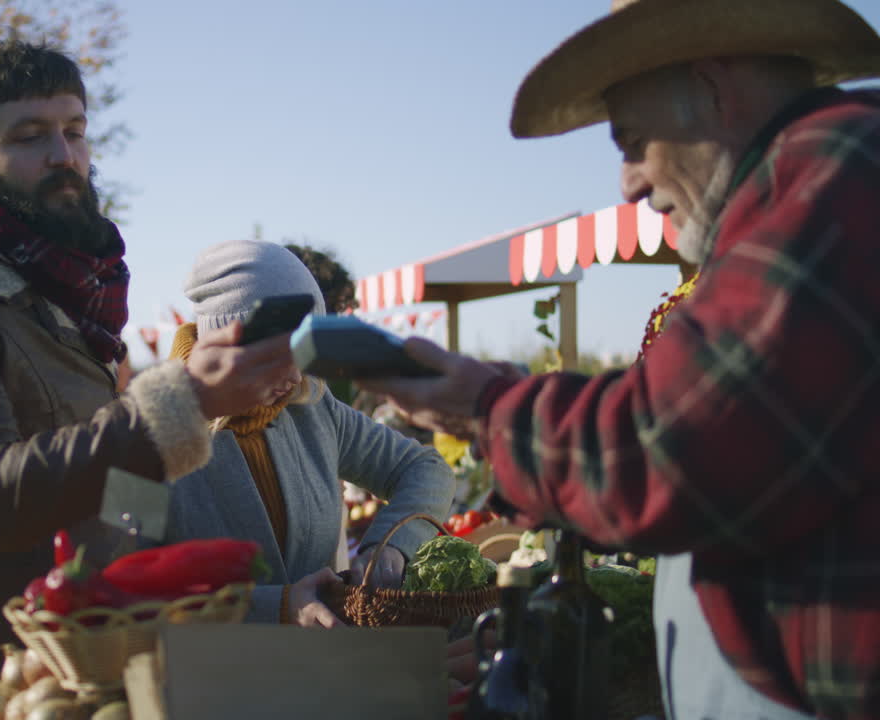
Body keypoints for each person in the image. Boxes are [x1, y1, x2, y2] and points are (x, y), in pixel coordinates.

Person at [363, 1, 880, 717]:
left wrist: (481, 405)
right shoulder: (799, 188)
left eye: (632, 142)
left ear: (712, 89)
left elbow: (672, 447)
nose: (629, 182)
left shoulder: (835, 172)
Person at [0, 41, 299, 717]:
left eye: (74, 132)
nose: (63, 156)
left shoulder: (67, 306)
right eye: (29, 137)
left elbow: (110, 502)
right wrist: (184, 399)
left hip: (85, 668)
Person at [165, 240, 456, 627]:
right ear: (224, 344)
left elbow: (424, 467)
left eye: (303, 353)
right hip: (206, 678)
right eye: (275, 356)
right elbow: (120, 583)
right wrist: (277, 607)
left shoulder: (313, 408)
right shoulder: (146, 433)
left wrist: (390, 548)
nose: (294, 376)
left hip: (318, 670)